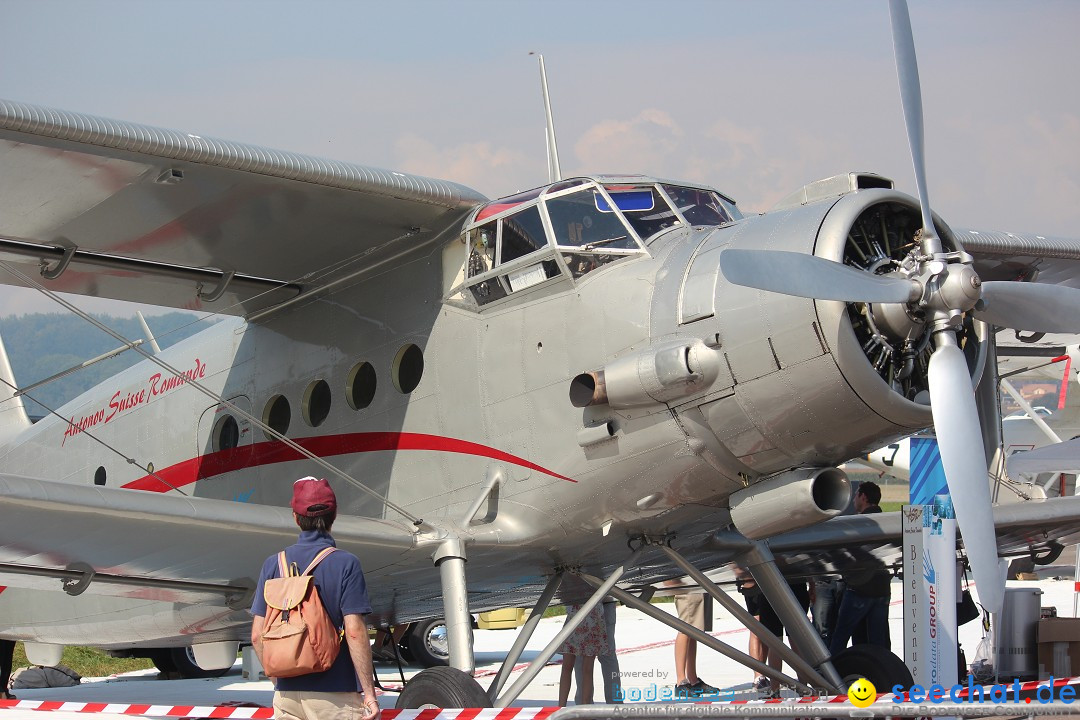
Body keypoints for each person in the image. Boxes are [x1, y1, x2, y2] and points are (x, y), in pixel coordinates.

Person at [250, 477, 381, 720]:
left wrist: (279, 681)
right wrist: (369, 693)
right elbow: (354, 631)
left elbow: (257, 635)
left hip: (287, 697)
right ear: (335, 514)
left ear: (295, 517)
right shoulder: (346, 563)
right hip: (335, 693)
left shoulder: (272, 564)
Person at [829, 481, 892, 655]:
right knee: (879, 641)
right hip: (882, 589)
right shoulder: (888, 521)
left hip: (860, 589)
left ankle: (832, 675)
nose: (854, 499)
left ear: (863, 497)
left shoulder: (858, 523)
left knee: (840, 637)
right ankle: (882, 674)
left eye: (856, 495)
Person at [558, 603, 608, 706]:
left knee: (567, 667)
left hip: (575, 615)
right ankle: (585, 706)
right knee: (587, 670)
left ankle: (561, 705)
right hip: (593, 616)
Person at [672, 591, 719, 697]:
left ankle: (693, 679)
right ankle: (681, 682)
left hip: (698, 584)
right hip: (687, 584)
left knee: (694, 630)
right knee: (685, 627)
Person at [575, 598, 620, 704]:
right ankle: (615, 703)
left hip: (580, 600)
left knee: (581, 657)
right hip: (606, 599)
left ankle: (583, 703)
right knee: (608, 656)